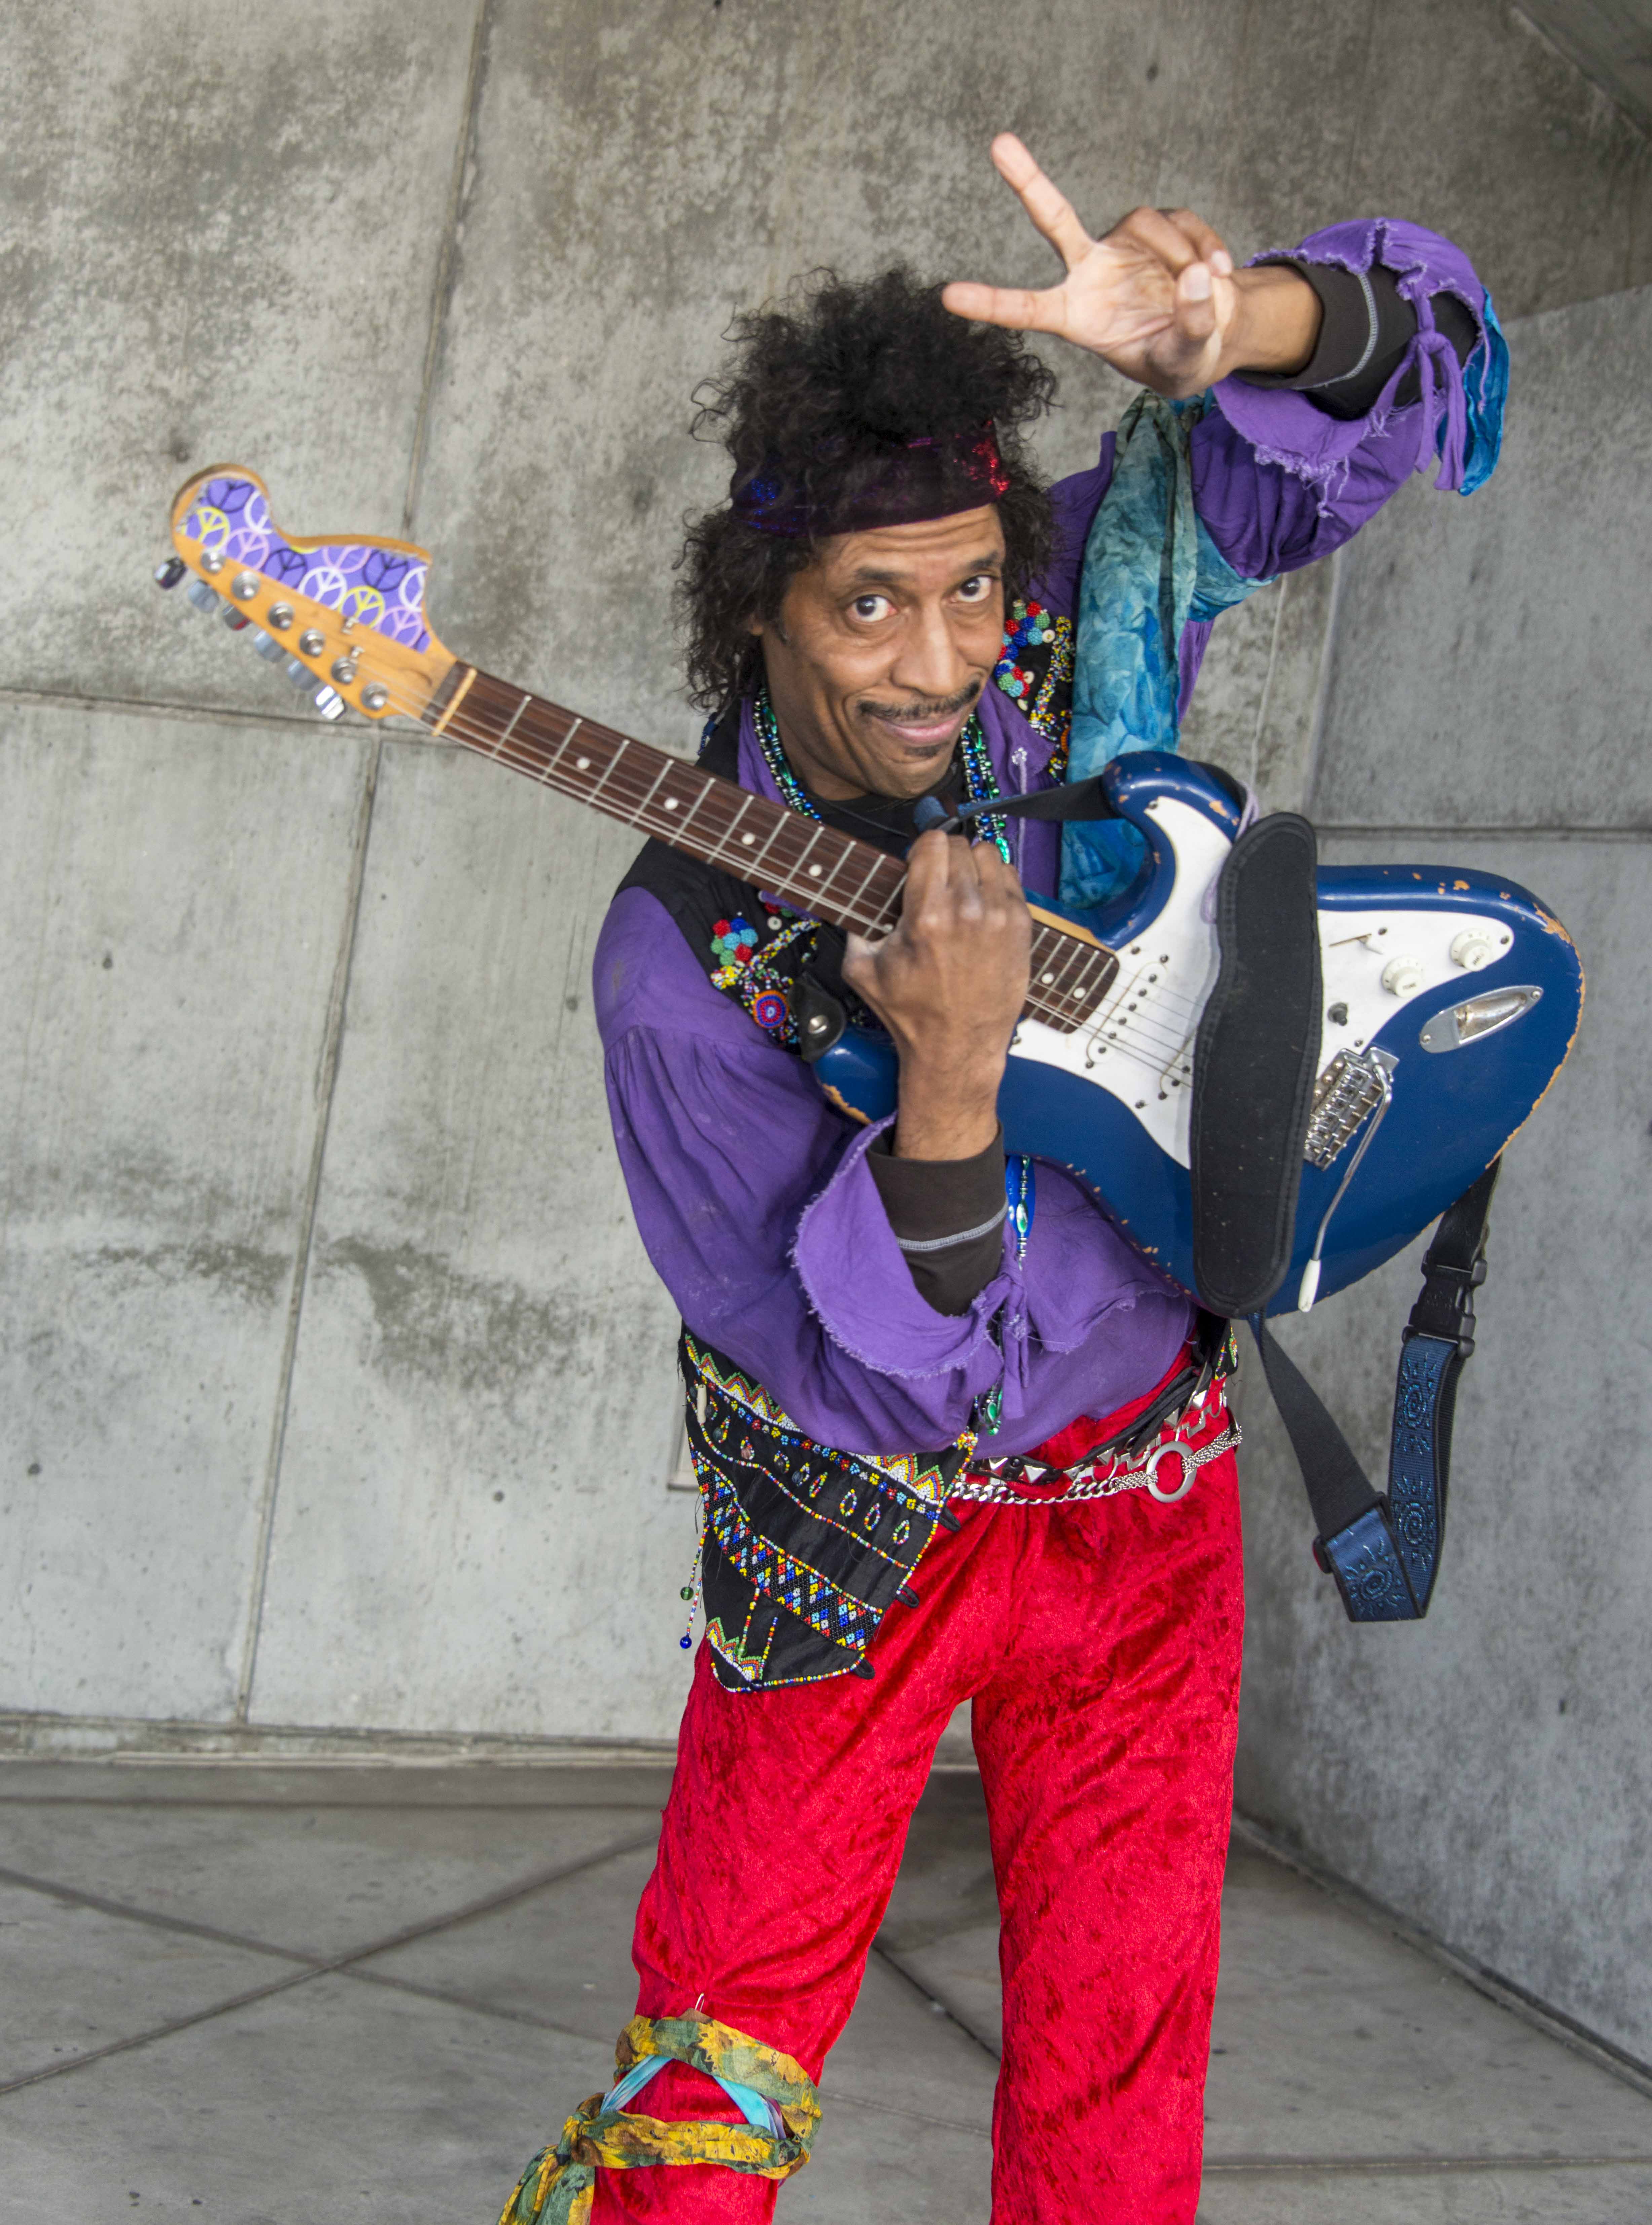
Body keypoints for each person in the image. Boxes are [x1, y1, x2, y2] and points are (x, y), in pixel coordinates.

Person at [499, 134, 1502, 2225]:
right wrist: (943, 1096)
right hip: (850, 1548)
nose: (944, 663)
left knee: (1121, 2072)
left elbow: (1433, 370)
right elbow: (849, 1375)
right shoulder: (679, 962)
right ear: (759, 612)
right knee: (715, 2071)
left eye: (971, 588)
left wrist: (1250, 327)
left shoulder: (1084, 595)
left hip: (1150, 1502)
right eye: (868, 606)